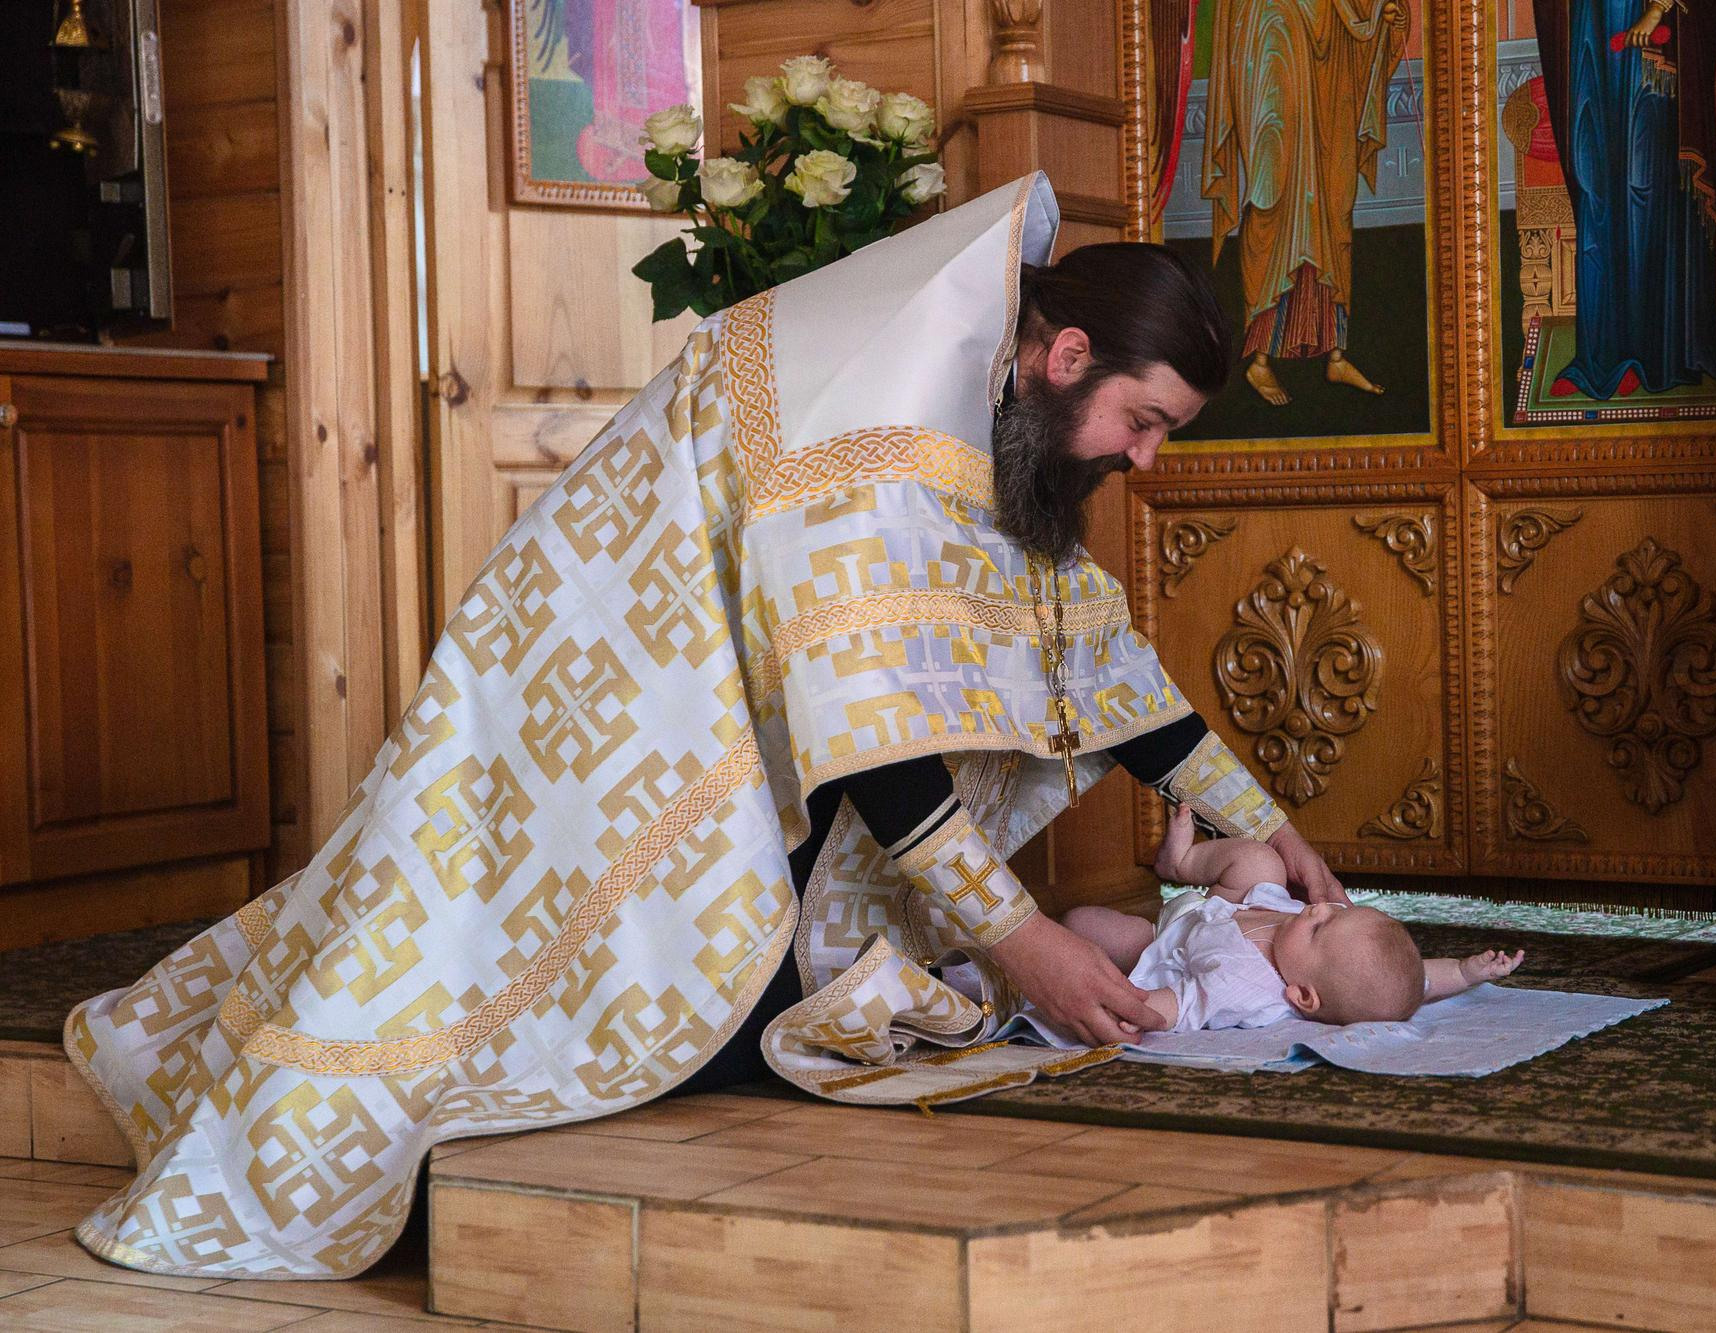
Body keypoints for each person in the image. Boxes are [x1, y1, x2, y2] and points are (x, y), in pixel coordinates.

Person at [64, 174, 1336, 1280]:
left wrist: (1262, 819)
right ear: (1064, 360)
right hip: (630, 681)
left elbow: (1085, 651)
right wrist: (1022, 945)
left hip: (734, 711)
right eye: (1147, 423)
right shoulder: (889, 411)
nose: (1146, 460)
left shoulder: (996, 414)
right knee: (602, 1013)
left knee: (742, 1027)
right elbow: (876, 733)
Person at [1065, 802, 1523, 1031]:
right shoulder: (1299, 929)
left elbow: (1182, 1003)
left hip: (1162, 943)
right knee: (1264, 862)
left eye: (1321, 926)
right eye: (1339, 913)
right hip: (1226, 903)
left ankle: (1082, 940)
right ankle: (1181, 863)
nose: (1319, 906)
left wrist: (1135, 1012)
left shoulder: (1244, 986)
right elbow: (1411, 982)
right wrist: (1465, 972)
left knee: (1080, 924)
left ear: (1302, 995)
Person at [1203, 0, 1410, 406]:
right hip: (1270, 54)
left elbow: (1361, 15)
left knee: (1330, 210)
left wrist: (1384, 18)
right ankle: (1259, 359)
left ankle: (1335, 353)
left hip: (1330, 71)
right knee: (1272, 201)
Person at [1534, 0, 1716, 399]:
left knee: (1644, 183)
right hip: (1590, 29)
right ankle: (1601, 356)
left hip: (1652, 47)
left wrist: (1657, 9)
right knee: (1595, 183)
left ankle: (1653, 354)